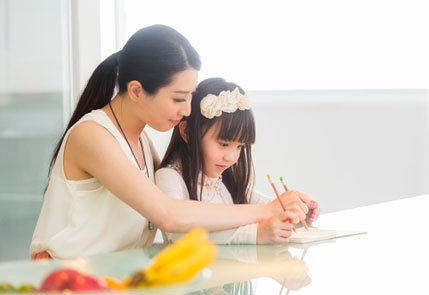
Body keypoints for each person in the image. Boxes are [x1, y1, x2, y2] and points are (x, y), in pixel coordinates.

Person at [30, 25, 308, 260]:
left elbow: (188, 203)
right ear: (137, 90)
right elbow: (169, 215)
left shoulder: (140, 139)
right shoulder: (92, 135)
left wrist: (282, 207)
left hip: (117, 280)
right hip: (68, 282)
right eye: (178, 98)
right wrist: (264, 211)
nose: (187, 110)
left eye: (191, 96)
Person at [155, 78, 319, 244]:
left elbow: (269, 207)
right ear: (187, 132)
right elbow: (179, 233)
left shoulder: (226, 181)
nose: (231, 157)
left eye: (240, 146)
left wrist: (294, 211)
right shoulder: (169, 177)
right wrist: (255, 234)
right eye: (223, 144)